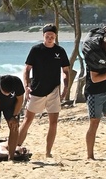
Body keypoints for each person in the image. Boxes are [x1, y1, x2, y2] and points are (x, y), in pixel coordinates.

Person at [15, 24, 71, 157]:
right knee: (27, 120)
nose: (50, 38)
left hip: (53, 91)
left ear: (55, 36)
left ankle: (48, 152)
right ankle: (16, 147)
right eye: (47, 36)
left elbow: (66, 71)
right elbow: (27, 69)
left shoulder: (60, 51)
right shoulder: (36, 50)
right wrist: (26, 86)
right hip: (37, 90)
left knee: (53, 122)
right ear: (43, 36)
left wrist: (66, 86)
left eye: (52, 36)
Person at [85, 33, 106, 161]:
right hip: (94, 93)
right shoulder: (95, 54)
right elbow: (94, 78)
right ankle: (90, 155)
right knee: (94, 123)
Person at [0, 74, 24, 162]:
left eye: (9, 92)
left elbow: (20, 99)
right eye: (5, 92)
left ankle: (11, 157)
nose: (7, 94)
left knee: (14, 127)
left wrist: (15, 116)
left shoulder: (17, 82)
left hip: (11, 105)